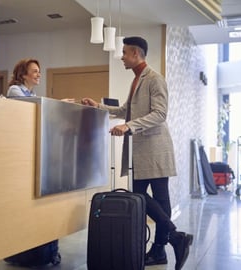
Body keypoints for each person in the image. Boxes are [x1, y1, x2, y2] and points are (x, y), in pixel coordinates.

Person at [81, 36, 193, 270]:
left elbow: (160, 114)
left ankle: (163, 246)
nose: (121, 57)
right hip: (140, 150)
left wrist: (128, 126)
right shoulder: (136, 80)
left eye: (124, 52)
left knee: (153, 199)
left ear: (135, 53)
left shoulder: (154, 79)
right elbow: (125, 110)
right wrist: (98, 106)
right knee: (140, 198)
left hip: (155, 149)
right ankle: (171, 241)